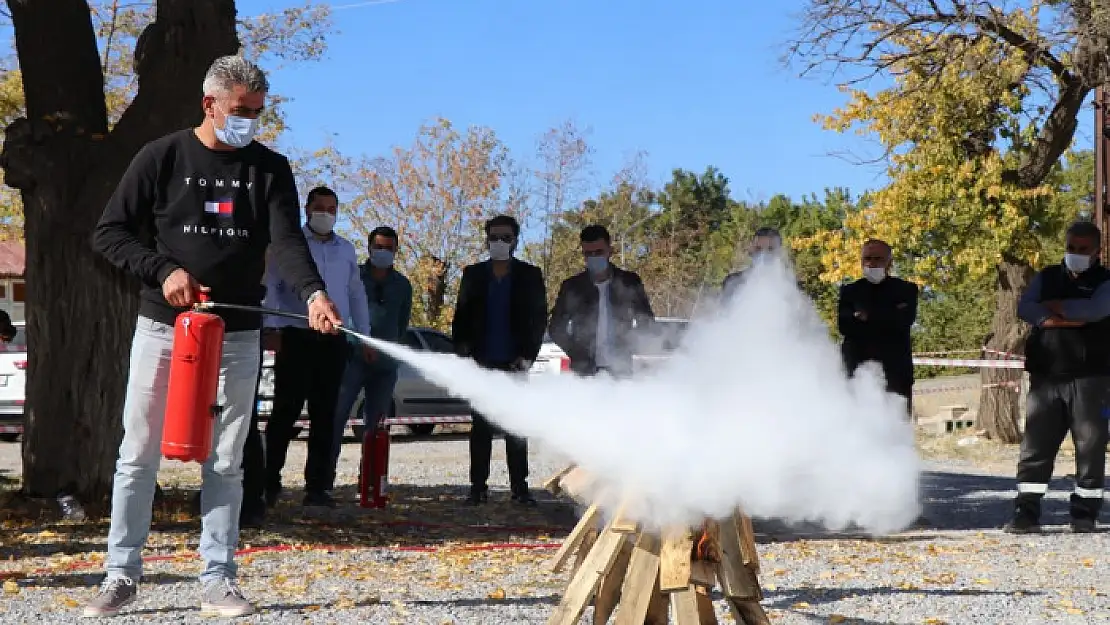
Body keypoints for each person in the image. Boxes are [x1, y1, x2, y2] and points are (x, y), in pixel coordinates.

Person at [85, 55, 344, 618]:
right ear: (210, 104)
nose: (249, 120)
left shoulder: (270, 170)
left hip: (238, 331)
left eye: (257, 111)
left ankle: (218, 578)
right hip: (162, 327)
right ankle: (121, 575)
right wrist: (163, 271)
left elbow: (287, 244)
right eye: (240, 110)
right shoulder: (163, 156)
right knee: (138, 454)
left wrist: (314, 294)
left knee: (226, 458)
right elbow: (109, 233)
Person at [262, 186, 371, 510]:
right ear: (307, 209)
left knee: (327, 415)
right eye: (319, 207)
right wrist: (272, 327)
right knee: (286, 412)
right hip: (295, 335)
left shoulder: (346, 250)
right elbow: (272, 287)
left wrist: (363, 335)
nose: (325, 213)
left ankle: (319, 487)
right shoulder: (289, 247)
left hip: (333, 340)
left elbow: (355, 294)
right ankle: (268, 482)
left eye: (331, 208)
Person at [1006, 220, 1110, 534]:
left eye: (1082, 249)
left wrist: (1053, 311)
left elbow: (1095, 310)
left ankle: (1084, 514)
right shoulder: (1047, 277)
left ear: (1097, 251)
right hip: (1046, 376)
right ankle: (1026, 513)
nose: (1075, 254)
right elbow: (1026, 307)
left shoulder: (1106, 281)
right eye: (1070, 248)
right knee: (1035, 447)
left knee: (1090, 446)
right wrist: (1062, 318)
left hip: (1091, 378)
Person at [452, 215, 547, 506]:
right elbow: (461, 318)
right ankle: (477, 488)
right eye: (494, 237)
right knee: (480, 429)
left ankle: (520, 488)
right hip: (482, 363)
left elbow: (539, 318)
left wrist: (528, 356)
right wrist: (463, 353)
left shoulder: (530, 275)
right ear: (486, 239)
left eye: (506, 237)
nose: (499, 243)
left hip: (515, 363)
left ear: (516, 240)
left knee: (516, 429)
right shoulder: (473, 275)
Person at [327, 226, 413, 493]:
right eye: (379, 247)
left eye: (388, 248)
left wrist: (389, 349)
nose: (383, 252)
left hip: (385, 367)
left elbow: (401, 324)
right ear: (369, 248)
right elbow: (343, 313)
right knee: (336, 419)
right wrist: (359, 343)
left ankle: (370, 482)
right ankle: (323, 482)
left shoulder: (402, 285)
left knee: (376, 426)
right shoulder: (354, 278)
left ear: (396, 251)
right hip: (352, 360)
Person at [548, 225, 656, 377]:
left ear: (609, 251)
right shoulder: (572, 286)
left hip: (620, 370)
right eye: (588, 254)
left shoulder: (629, 282)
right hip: (584, 372)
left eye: (599, 252)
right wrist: (576, 352)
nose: (594, 258)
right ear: (583, 255)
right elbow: (556, 328)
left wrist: (628, 345)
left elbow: (647, 322)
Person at [837, 239, 919, 416]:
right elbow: (844, 326)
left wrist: (865, 317)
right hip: (857, 373)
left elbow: (903, 322)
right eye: (867, 258)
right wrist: (887, 315)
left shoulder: (906, 289)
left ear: (889, 262)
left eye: (878, 259)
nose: (872, 263)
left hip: (895, 375)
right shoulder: (849, 291)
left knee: (897, 430)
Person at [720, 227, 785, 300]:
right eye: (758, 249)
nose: (763, 255)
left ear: (780, 253)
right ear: (751, 251)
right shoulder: (732, 282)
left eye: (770, 249)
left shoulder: (791, 287)